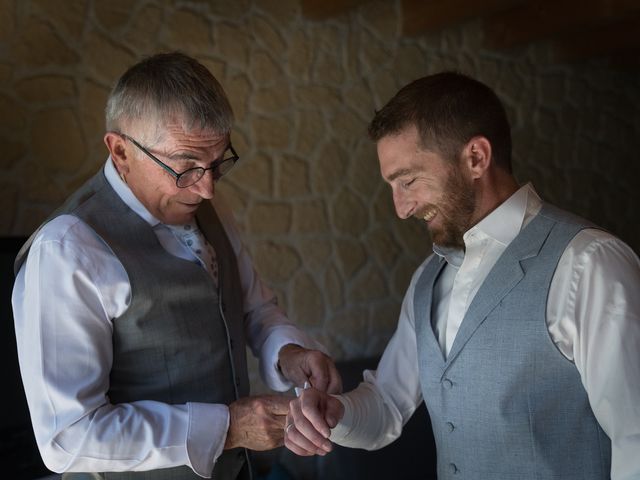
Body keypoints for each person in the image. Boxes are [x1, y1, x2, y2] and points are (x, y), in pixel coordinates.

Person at [283, 72, 640, 479]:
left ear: (476, 157)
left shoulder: (590, 263)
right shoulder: (427, 278)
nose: (401, 208)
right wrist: (335, 412)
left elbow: (636, 438)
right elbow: (386, 404)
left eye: (409, 180)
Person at [12, 52, 342, 480]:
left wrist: (289, 353)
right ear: (121, 151)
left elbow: (253, 309)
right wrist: (229, 428)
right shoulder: (67, 250)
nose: (206, 188)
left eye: (219, 161)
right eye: (185, 167)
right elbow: (67, 439)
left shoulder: (207, 204)